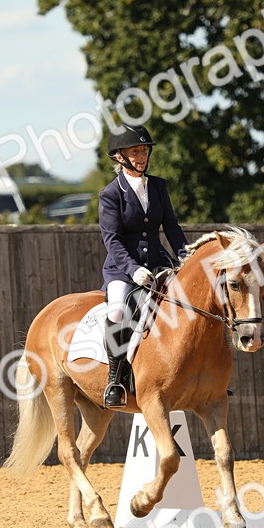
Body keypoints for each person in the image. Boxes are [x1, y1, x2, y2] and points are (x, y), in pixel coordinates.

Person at [98, 124, 188, 408]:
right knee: (117, 311)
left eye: (144, 150)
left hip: (159, 262)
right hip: (122, 268)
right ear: (120, 156)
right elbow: (112, 239)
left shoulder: (158, 186)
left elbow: (171, 227)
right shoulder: (111, 194)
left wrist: (186, 257)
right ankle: (116, 378)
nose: (141, 156)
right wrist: (132, 268)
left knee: (190, 299)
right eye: (135, 151)